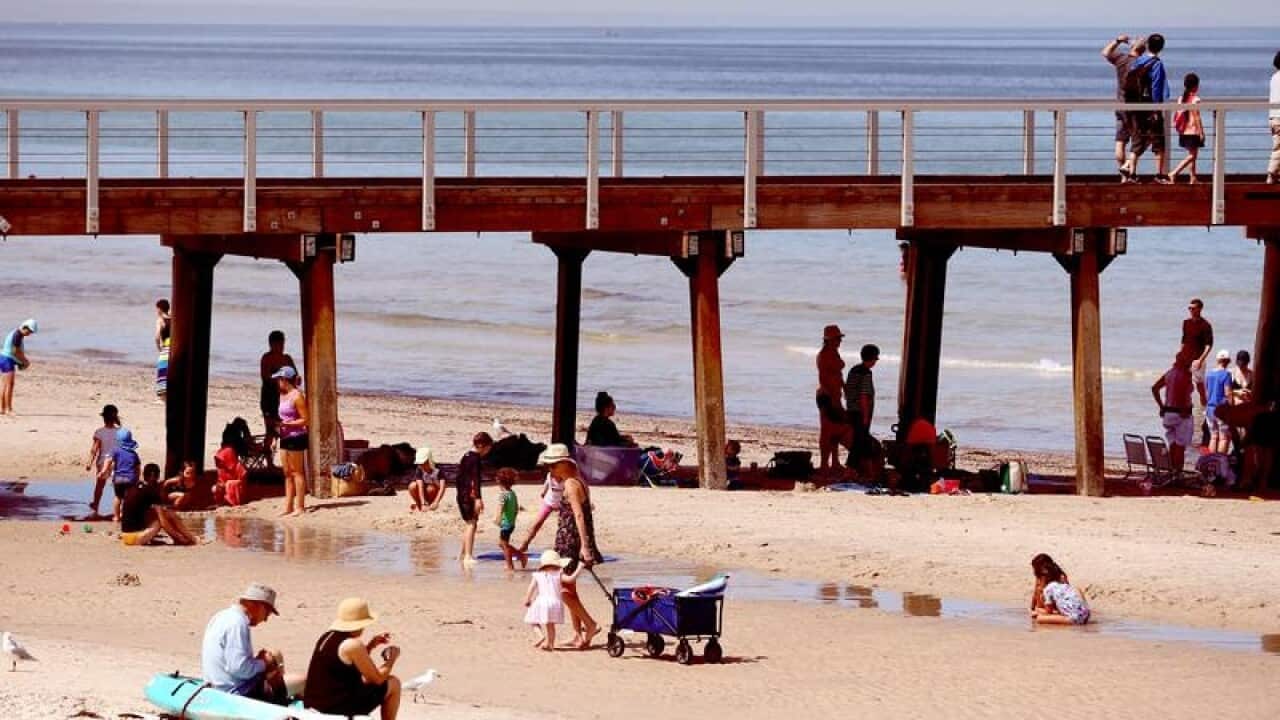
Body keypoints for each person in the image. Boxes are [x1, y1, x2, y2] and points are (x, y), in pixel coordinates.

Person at [540, 443, 602, 649]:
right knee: (569, 588)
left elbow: (579, 515)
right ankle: (578, 634)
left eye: (552, 467)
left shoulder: (571, 485)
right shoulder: (578, 481)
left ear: (563, 464)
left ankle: (590, 624)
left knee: (561, 586)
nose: (550, 471)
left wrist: (585, 547)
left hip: (571, 541)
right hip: (568, 538)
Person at [304, 597, 401, 720]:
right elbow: (378, 679)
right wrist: (392, 658)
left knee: (365, 681)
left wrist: (371, 645)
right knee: (393, 683)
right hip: (336, 709)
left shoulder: (327, 636)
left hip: (316, 704)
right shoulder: (353, 645)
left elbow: (346, 660)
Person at [201, 583, 290, 703]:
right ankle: (282, 705)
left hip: (215, 685)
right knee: (280, 662)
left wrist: (257, 662)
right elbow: (239, 668)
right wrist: (265, 663)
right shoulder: (238, 623)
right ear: (259, 606)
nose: (265, 619)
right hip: (235, 693)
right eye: (267, 613)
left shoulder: (221, 616)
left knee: (270, 663)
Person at [1119, 33, 1170, 182]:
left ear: (1147, 45)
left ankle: (1132, 172)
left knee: (1138, 140)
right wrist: (1156, 108)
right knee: (1159, 143)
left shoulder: (1138, 61)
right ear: (1161, 48)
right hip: (1150, 107)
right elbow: (1156, 87)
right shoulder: (1157, 63)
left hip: (1136, 106)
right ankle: (1160, 175)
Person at [120, 463, 198, 546]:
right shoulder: (152, 491)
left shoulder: (134, 487)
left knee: (162, 512)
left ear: (143, 475)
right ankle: (189, 538)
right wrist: (178, 538)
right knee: (164, 516)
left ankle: (189, 537)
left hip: (125, 537)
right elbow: (163, 523)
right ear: (156, 476)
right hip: (136, 539)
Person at [1102, 33, 1146, 170]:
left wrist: (1118, 40)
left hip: (1120, 105)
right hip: (1136, 107)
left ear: (1132, 46)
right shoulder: (1142, 64)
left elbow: (1105, 52)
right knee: (1138, 141)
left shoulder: (1121, 59)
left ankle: (1123, 175)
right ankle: (1130, 172)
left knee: (1120, 141)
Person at [524, 549, 583, 651]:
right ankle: (550, 644)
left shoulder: (538, 575)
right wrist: (580, 567)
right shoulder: (558, 574)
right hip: (555, 602)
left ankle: (540, 636)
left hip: (542, 602)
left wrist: (527, 599)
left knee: (532, 620)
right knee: (550, 625)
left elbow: (531, 588)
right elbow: (571, 579)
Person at [1152, 349, 1195, 475]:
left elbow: (1155, 389)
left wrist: (1161, 406)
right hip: (1181, 413)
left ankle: (1172, 471)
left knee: (1173, 444)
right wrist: (1184, 409)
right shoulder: (1186, 375)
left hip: (1168, 414)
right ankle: (1177, 473)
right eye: (1189, 360)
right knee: (1180, 446)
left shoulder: (1169, 373)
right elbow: (1182, 393)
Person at [816, 324, 853, 473]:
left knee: (835, 431)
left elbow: (838, 374)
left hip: (835, 396)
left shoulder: (834, 353)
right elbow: (823, 378)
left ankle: (835, 462)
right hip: (826, 396)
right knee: (827, 431)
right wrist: (832, 399)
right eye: (837, 338)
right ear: (829, 339)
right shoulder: (824, 355)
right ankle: (824, 463)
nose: (839, 341)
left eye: (839, 338)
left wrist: (844, 388)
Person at [453, 432, 492, 566]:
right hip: (469, 496)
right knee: (472, 524)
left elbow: (458, 478)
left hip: (461, 495)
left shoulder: (466, 456)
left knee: (469, 524)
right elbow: (476, 480)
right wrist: (478, 498)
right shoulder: (475, 459)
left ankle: (462, 554)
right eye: (488, 449)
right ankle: (468, 556)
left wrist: (461, 493)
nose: (488, 452)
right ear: (482, 446)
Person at [274, 366, 308, 517]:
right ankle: (288, 505)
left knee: (297, 472)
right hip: (284, 436)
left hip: (296, 436)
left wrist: (287, 425)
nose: (277, 383)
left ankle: (300, 506)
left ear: (284, 380)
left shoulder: (297, 396)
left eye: (279, 380)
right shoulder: (282, 395)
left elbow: (305, 420)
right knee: (287, 473)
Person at [843, 343, 880, 478]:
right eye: (875, 358)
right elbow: (864, 396)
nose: (875, 361)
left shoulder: (853, 370)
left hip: (851, 410)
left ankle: (868, 471)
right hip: (860, 412)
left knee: (863, 442)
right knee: (859, 442)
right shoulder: (866, 373)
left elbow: (847, 390)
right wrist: (865, 416)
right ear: (872, 358)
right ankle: (850, 470)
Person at [1181, 298, 1214, 446]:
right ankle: (1186, 412)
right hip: (1186, 359)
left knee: (1200, 388)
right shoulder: (1186, 323)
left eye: (1193, 308)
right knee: (1184, 387)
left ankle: (1205, 412)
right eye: (1189, 308)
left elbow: (1208, 345)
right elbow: (1183, 340)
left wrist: (1201, 359)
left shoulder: (1205, 325)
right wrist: (1180, 355)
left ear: (1200, 309)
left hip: (1198, 361)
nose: (1191, 310)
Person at [259, 331, 297, 456]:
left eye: (282, 344)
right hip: (269, 398)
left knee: (286, 429)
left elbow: (294, 376)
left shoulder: (287, 358)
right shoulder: (267, 358)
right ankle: (269, 462)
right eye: (278, 344)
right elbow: (265, 376)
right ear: (271, 344)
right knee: (270, 431)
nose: (281, 347)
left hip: (284, 399)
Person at [516, 460, 564, 557]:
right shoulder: (549, 475)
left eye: (553, 469)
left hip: (562, 504)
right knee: (536, 524)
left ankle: (563, 547)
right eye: (550, 469)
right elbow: (547, 484)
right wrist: (543, 492)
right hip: (549, 502)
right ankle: (525, 544)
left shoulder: (566, 478)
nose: (551, 471)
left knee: (564, 527)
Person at [1029, 554, 1090, 625]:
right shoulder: (1057, 579)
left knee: (1039, 618)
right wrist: (1033, 608)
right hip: (1085, 614)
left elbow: (1048, 611)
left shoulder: (1051, 585)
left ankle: (1063, 615)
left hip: (1071, 616)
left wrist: (1037, 611)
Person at [97, 427, 141, 523]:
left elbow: (108, 460)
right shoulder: (134, 454)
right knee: (127, 499)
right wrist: (137, 480)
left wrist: (103, 471)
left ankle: (116, 517)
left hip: (118, 479)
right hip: (130, 479)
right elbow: (137, 468)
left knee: (118, 497)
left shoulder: (115, 450)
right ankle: (125, 515)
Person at [85, 404, 122, 518]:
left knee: (100, 486)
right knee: (118, 488)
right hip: (117, 461)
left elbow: (94, 449)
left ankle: (96, 505)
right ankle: (119, 510)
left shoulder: (100, 432)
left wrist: (89, 463)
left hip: (103, 462)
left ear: (104, 417)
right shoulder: (120, 432)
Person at [1168, 73, 1205, 184]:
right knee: (1192, 156)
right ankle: (1174, 173)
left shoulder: (1181, 98)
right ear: (1195, 86)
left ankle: (1193, 177)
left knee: (1193, 155)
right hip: (1192, 131)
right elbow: (1196, 116)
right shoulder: (1195, 99)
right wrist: (1201, 132)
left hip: (1183, 130)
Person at [0, 318, 37, 416]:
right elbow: (15, 351)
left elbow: (15, 351)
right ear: (25, 327)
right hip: (7, 360)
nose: (29, 334)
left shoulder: (16, 333)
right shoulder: (17, 335)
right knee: (10, 385)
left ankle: (3, 409)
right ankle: (9, 410)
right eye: (29, 331)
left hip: (3, 358)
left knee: (5, 385)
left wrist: (21, 361)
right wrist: (25, 361)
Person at [492, 467, 526, 571]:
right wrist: (513, 519)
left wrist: (497, 519)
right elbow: (516, 508)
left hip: (505, 523)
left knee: (504, 545)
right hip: (511, 523)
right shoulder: (512, 493)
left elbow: (500, 508)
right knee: (502, 543)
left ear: (499, 481)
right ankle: (520, 555)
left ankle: (510, 565)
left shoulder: (503, 495)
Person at [1205, 350, 1235, 455]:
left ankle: (1211, 463)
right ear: (1228, 361)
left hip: (1210, 409)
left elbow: (1207, 393)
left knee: (1213, 437)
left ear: (1217, 360)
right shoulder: (1226, 374)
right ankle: (1220, 462)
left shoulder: (1209, 374)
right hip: (1221, 410)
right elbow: (1228, 393)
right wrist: (1232, 408)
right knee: (1223, 438)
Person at [407, 445, 442, 512]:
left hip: (433, 491)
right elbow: (420, 485)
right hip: (423, 492)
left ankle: (430, 504)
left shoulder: (438, 470)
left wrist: (436, 501)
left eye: (424, 463)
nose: (422, 465)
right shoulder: (419, 469)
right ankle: (419, 504)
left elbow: (442, 488)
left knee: (430, 489)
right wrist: (423, 503)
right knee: (412, 486)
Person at [214, 440, 247, 507]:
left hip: (237, 490)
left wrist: (230, 483)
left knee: (230, 484)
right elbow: (220, 480)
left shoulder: (238, 467)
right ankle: (221, 502)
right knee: (215, 488)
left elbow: (243, 481)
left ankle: (232, 501)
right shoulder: (221, 468)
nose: (219, 462)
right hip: (225, 486)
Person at [154, 299, 171, 400]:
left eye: (157, 309)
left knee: (163, 372)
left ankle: (163, 398)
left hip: (166, 347)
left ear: (160, 309)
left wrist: (159, 348)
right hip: (174, 347)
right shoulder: (173, 318)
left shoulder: (160, 320)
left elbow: (156, 337)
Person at [1268, 50, 1279, 184]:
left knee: (1277, 145)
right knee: (1279, 149)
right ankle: (1271, 174)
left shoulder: (1274, 77)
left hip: (1273, 116)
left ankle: (1274, 175)